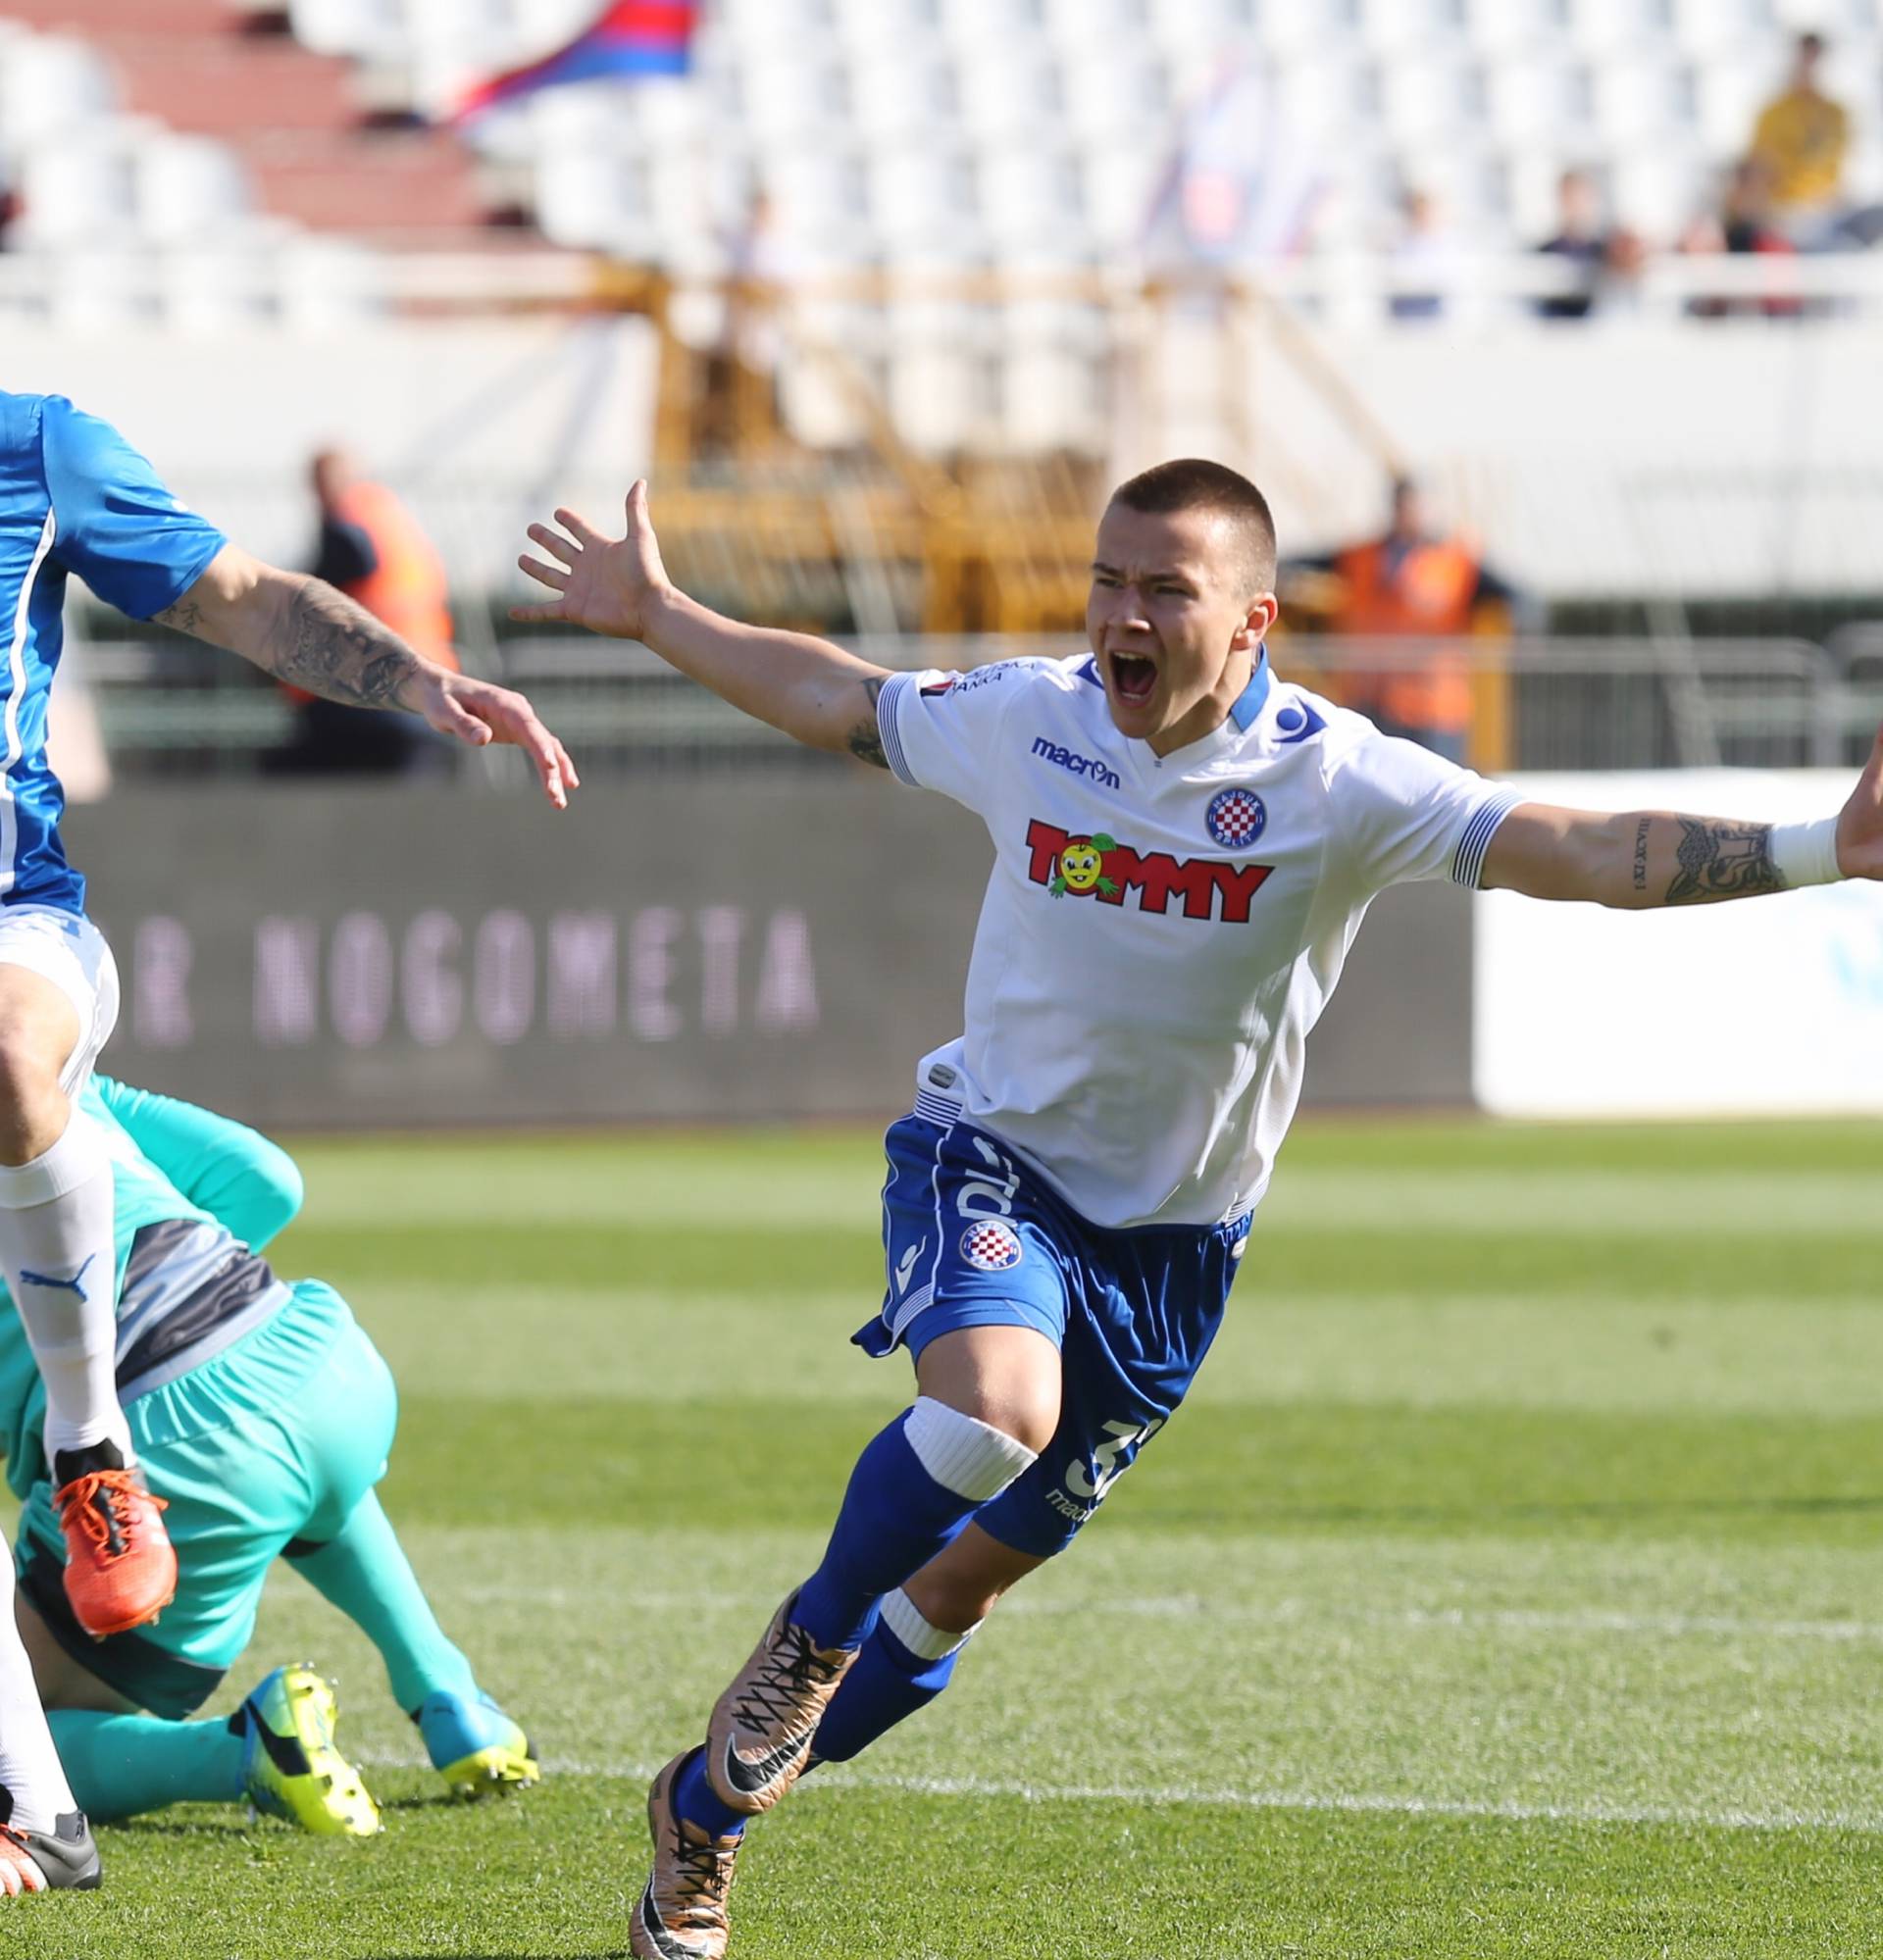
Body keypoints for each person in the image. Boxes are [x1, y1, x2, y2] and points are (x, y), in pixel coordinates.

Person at [515, 458, 1881, 1959]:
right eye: (1108, 578)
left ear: (1252, 619)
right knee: (987, 1415)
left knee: (958, 1593)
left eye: (1165, 587)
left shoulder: (1339, 779)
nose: (1122, 613)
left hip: (1175, 1254)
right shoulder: (1030, 717)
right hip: (996, 1161)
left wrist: (1826, 848)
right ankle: (806, 1636)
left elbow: (1578, 849)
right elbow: (839, 695)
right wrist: (658, 614)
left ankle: (699, 1826)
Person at [0, 388, 571, 1897]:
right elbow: (268, 1184)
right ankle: (438, 1689)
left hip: (21, 930)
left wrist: (418, 679)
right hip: (300, 1356)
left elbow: (243, 597)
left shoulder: (33, 446)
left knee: (6, 1054)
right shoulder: (103, 1122)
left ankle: (92, 1453)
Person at [6, 1074, 536, 1843]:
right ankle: (450, 1693)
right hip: (317, 1357)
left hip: (173, 1444)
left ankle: (247, 1747)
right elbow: (267, 1180)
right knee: (294, 1459)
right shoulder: (52, 1064)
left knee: (13, 1732)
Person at [1287, 477, 1522, 763]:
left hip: (1433, 708)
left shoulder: (1457, 562)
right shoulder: (1362, 556)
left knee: (1435, 794)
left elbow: (1516, 598)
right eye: (1404, 506)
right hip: (1368, 700)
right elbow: (1301, 563)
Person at [265, 449, 461, 779]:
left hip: (361, 698)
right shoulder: (393, 521)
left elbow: (349, 558)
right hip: (423, 693)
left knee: (287, 780)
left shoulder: (348, 520)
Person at [1748, 31, 1851, 243]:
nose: (1808, 66)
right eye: (1804, 58)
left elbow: (1836, 171)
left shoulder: (1836, 113)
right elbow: (1760, 168)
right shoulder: (1773, 113)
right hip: (1785, 210)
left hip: (1826, 211)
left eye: (1813, 58)